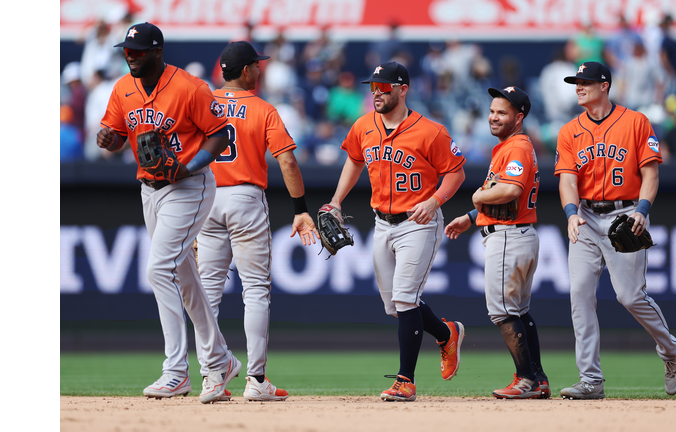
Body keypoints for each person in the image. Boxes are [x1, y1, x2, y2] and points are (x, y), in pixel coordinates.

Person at [96, 22, 241, 404]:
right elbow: (111, 134)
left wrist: (189, 167)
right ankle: (219, 359)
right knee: (184, 274)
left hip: (189, 186)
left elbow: (220, 134)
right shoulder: (122, 88)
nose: (131, 56)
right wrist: (108, 139)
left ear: (158, 52)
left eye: (139, 51)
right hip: (150, 189)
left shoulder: (190, 87)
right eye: (128, 51)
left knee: (159, 268)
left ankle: (176, 371)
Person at [325, 61, 467, 402]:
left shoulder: (431, 131)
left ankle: (406, 380)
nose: (376, 94)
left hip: (418, 223)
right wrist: (335, 201)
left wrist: (434, 201)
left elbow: (456, 174)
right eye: (373, 88)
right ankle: (446, 333)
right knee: (395, 306)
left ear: (403, 90)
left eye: (384, 88)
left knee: (405, 299)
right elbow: (355, 161)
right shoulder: (363, 126)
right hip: (381, 222)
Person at [193, 41, 319, 402]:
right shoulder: (263, 108)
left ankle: (211, 379)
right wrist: (300, 209)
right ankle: (256, 379)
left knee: (207, 294)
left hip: (205, 196)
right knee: (256, 291)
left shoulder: (202, 102)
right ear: (246, 70)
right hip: (245, 197)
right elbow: (288, 161)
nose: (260, 70)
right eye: (256, 66)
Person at [554, 61, 676, 399]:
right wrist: (570, 213)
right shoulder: (569, 130)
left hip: (625, 213)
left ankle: (671, 351)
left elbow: (651, 175)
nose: (578, 87)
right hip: (584, 216)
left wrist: (643, 210)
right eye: (576, 82)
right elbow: (568, 180)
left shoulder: (635, 122)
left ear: (604, 86)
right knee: (580, 296)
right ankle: (591, 380)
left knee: (629, 296)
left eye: (585, 81)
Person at [444, 86, 549, 399]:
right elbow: (504, 197)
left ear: (519, 117)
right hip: (518, 232)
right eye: (492, 111)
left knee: (502, 312)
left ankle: (526, 380)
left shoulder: (515, 147)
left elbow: (510, 190)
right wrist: (471, 215)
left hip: (508, 236)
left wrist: (476, 198)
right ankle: (538, 378)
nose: (493, 117)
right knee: (518, 311)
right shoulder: (511, 146)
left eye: (502, 112)